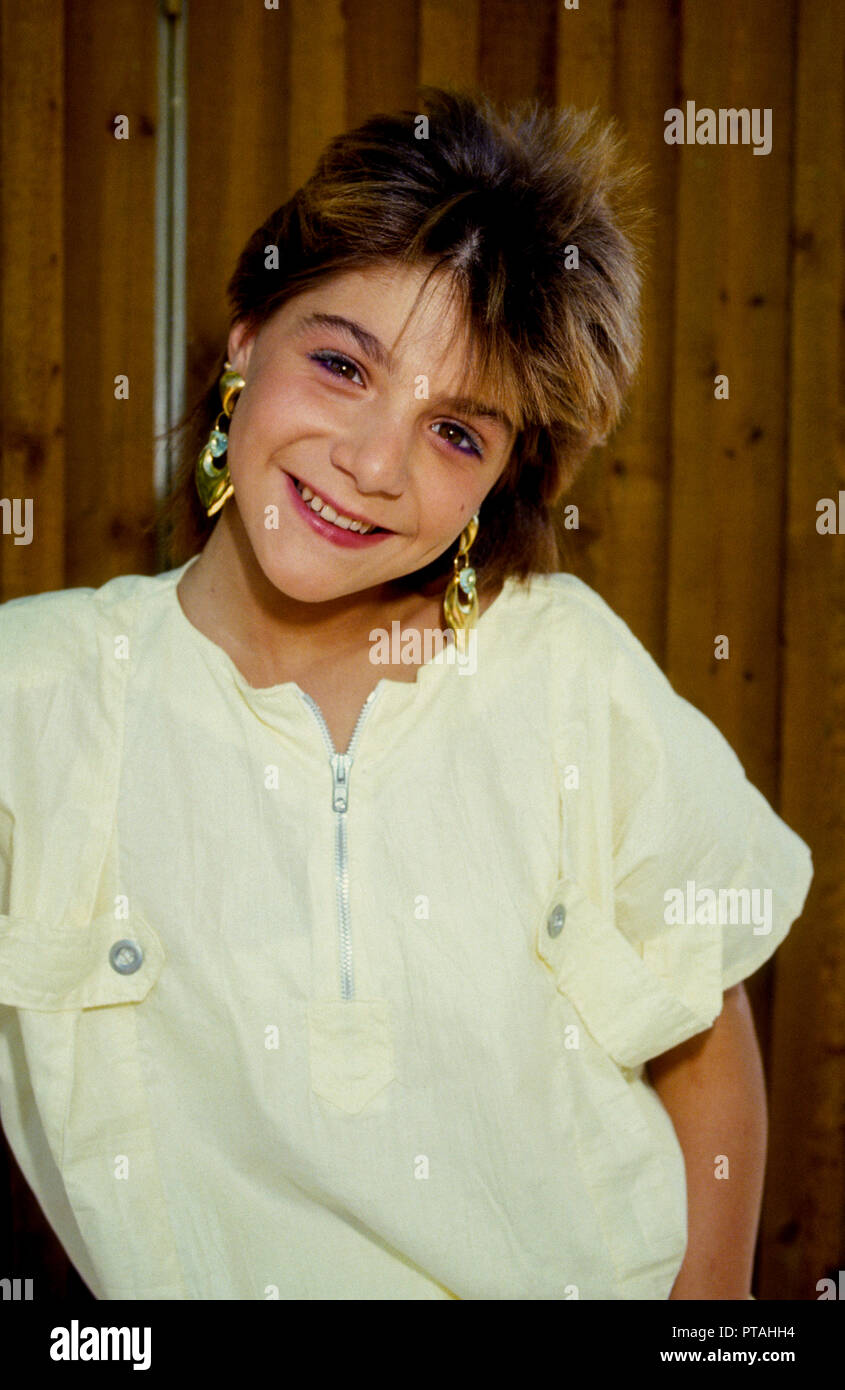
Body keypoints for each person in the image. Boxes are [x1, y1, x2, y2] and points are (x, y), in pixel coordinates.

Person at [0, 89, 812, 1301]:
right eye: (341, 364)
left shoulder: (564, 670)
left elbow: (696, 1015)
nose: (372, 465)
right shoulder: (32, 692)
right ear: (244, 340)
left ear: (500, 483)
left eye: (455, 433)